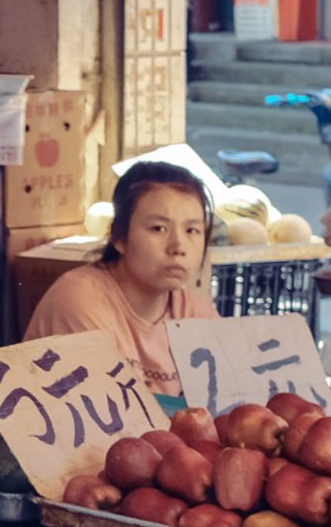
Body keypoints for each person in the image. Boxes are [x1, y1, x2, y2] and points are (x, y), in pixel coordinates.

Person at [23, 160, 220, 395]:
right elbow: (104, 413)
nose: (178, 246)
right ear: (118, 236)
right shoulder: (80, 297)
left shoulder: (193, 311)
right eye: (158, 228)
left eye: (192, 231)